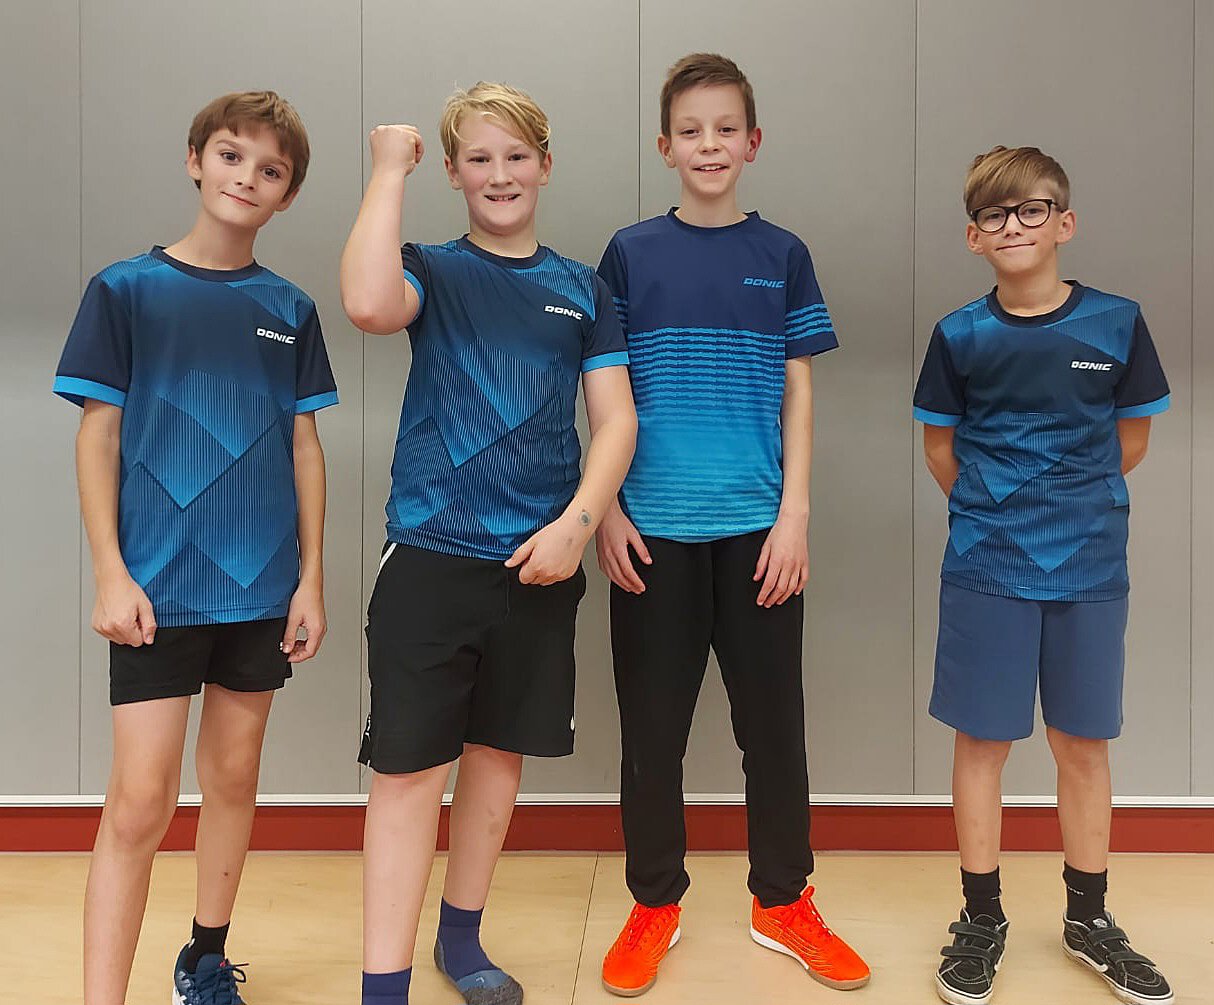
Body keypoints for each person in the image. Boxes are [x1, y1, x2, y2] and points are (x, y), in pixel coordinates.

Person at [339, 81, 637, 1005]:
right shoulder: (431, 268)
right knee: (407, 774)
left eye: (515, 156)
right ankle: (382, 985)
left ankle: (461, 942)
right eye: (478, 158)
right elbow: (367, 303)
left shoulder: (583, 289)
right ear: (454, 171)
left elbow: (616, 422)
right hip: (431, 556)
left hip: (539, 564)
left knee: (497, 763)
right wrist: (387, 170)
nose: (499, 174)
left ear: (544, 165)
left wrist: (575, 526)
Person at [594, 52, 870, 997]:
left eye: (725, 129)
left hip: (759, 532)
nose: (707, 145)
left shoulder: (782, 254)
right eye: (690, 130)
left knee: (774, 730)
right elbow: (603, 388)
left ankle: (782, 901)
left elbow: (799, 392)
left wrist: (795, 515)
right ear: (664, 145)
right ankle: (654, 903)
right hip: (649, 532)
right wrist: (605, 509)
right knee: (652, 735)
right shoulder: (629, 253)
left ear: (753, 143)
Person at [53, 90, 337, 1005]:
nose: (246, 177)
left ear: (287, 193)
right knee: (139, 800)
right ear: (195, 160)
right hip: (154, 591)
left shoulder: (289, 309)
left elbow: (304, 447)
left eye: (270, 169)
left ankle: (204, 962)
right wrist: (110, 572)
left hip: (259, 587)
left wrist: (311, 581)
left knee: (234, 776)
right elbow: (98, 435)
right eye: (230, 155)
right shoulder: (126, 290)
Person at [914, 145, 1173, 1005]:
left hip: (1090, 565)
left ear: (1065, 222)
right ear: (974, 236)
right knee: (982, 741)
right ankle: (980, 917)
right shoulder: (959, 334)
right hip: (986, 565)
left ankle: (1088, 918)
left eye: (1032, 209)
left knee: (1082, 743)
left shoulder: (1117, 323)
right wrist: (1002, 515)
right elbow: (941, 449)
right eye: (994, 214)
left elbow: (1130, 440)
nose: (1014, 226)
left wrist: (1064, 508)